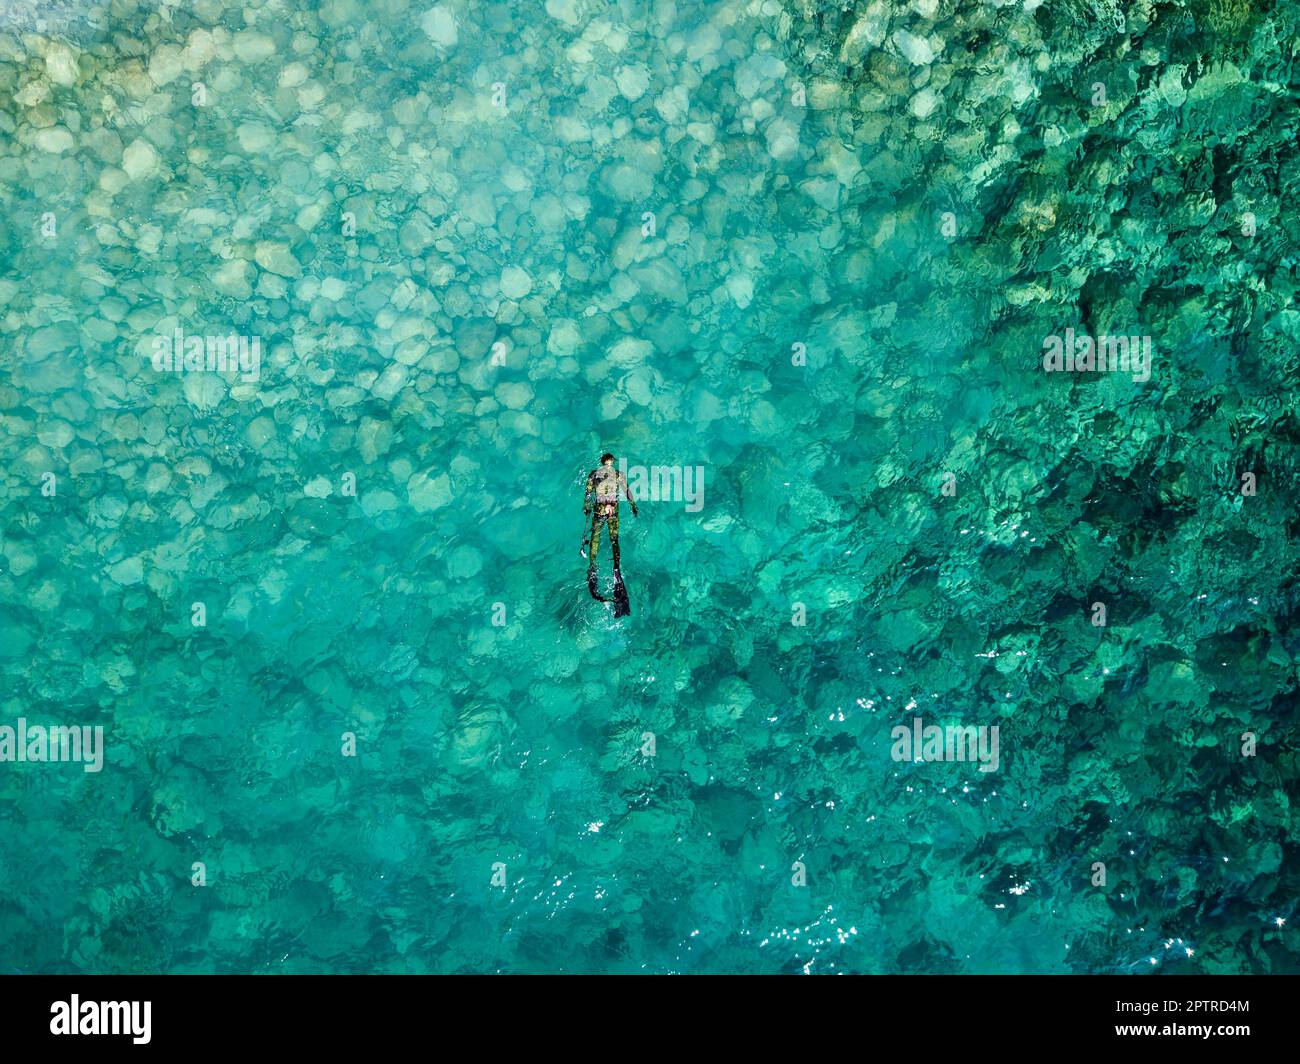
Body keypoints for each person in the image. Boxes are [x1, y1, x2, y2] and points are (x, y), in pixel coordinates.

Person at [581, 453, 638, 615]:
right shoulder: (619, 474)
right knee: (614, 539)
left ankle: (592, 566)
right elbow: (627, 491)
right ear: (612, 463)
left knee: (595, 539)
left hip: (600, 510)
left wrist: (586, 507)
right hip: (613, 510)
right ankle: (616, 568)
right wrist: (633, 505)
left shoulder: (593, 474)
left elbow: (588, 493)